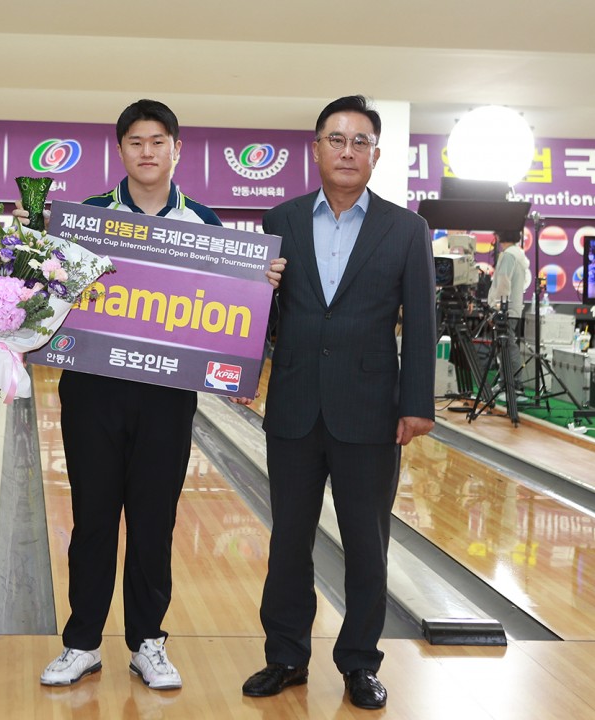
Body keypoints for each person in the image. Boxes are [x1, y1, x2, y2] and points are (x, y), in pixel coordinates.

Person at [37, 99, 284, 691]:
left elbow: (236, 315)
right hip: (93, 392)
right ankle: (82, 642)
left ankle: (148, 641)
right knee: (93, 520)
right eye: (135, 142)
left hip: (167, 396)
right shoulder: (87, 219)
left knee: (154, 522)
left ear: (177, 149)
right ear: (120, 150)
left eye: (157, 142)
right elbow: (49, 299)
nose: (146, 152)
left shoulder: (205, 224)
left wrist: (262, 287)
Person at [241, 95, 436, 711]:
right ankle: (285, 656)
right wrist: (253, 299)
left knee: (366, 545)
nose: (347, 151)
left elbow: (422, 322)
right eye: (336, 139)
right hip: (295, 405)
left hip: (371, 410)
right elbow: (264, 316)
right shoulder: (281, 218)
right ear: (316, 148)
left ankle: (358, 662)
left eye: (360, 141)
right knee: (288, 541)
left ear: (376, 154)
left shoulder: (406, 228)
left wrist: (417, 404)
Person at [486, 230, 529, 388]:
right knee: (506, 347)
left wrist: (498, 308)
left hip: (506, 310)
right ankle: (507, 383)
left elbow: (504, 283)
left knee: (508, 347)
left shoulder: (509, 255)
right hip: (511, 309)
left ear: (499, 236)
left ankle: (515, 386)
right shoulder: (517, 254)